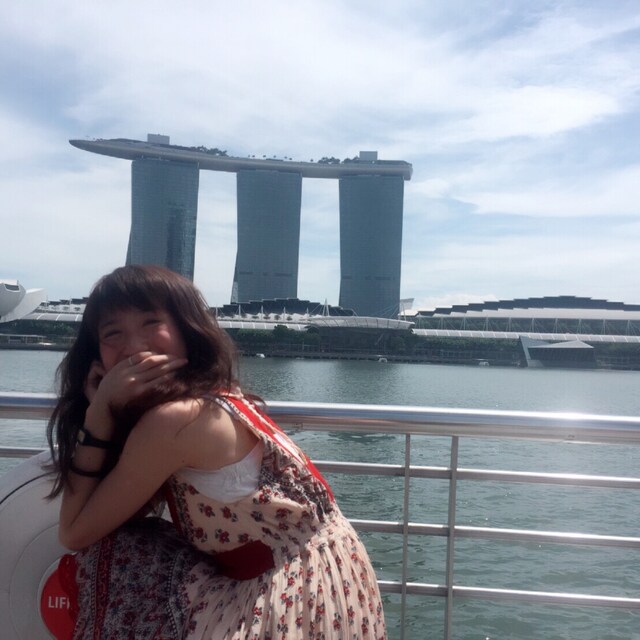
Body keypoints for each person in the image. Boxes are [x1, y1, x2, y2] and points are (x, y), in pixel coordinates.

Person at [47, 264, 386, 640]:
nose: (134, 345)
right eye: (113, 333)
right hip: (332, 580)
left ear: (185, 329)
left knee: (114, 554)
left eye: (151, 322)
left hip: (296, 594)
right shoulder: (215, 394)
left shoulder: (176, 420)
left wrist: (99, 415)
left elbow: (74, 532)